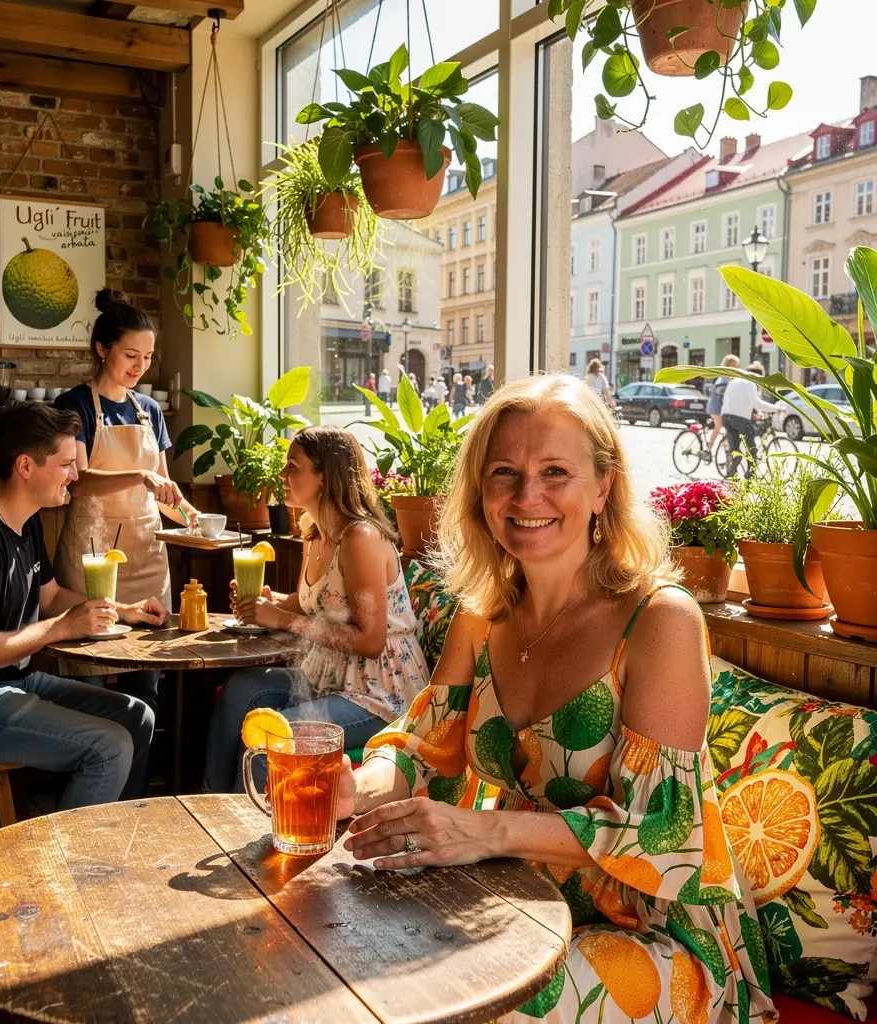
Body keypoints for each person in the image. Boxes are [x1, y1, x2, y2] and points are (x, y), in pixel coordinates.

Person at [334, 374, 772, 1024]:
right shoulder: (481, 616)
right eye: (503, 471)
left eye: (556, 471)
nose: (526, 495)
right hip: (520, 908)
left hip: (656, 936)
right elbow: (428, 746)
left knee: (488, 1005)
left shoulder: (659, 621)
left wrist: (485, 831)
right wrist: (356, 788)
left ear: (603, 487)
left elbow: (669, 832)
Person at [0, 404, 165, 809]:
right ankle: (70, 868)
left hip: (9, 683)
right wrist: (59, 629)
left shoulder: (27, 520)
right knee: (108, 747)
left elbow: (51, 597)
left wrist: (121, 609)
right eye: (66, 464)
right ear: (25, 466)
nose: (75, 476)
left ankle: (112, 832)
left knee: (136, 716)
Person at [202, 426, 429, 793]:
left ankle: (256, 833)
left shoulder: (360, 538)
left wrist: (282, 619)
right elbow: (313, 602)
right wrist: (266, 602)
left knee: (271, 741)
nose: (282, 475)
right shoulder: (313, 531)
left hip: (381, 693)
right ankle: (212, 804)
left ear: (326, 476)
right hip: (329, 677)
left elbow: (371, 641)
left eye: (293, 466)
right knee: (239, 689)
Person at [54, 289, 197, 712]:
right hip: (93, 559)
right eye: (131, 355)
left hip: (150, 562)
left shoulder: (149, 409)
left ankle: (137, 775)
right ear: (102, 348)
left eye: (148, 357)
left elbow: (167, 493)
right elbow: (77, 482)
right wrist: (139, 475)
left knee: (147, 683)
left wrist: (197, 519)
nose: (141, 366)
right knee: (91, 683)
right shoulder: (75, 404)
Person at [720, 361, 778, 479]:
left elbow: (732, 400)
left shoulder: (734, 380)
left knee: (735, 451)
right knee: (751, 449)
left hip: (726, 416)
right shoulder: (750, 383)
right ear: (758, 376)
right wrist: (776, 408)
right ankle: (750, 475)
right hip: (739, 418)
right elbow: (756, 403)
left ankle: (731, 474)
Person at [704, 353, 739, 462]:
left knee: (725, 431)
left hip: (720, 407)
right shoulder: (724, 377)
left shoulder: (728, 377)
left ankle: (727, 452)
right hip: (716, 407)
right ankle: (708, 449)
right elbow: (722, 392)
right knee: (719, 426)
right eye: (734, 365)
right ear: (729, 365)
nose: (736, 368)